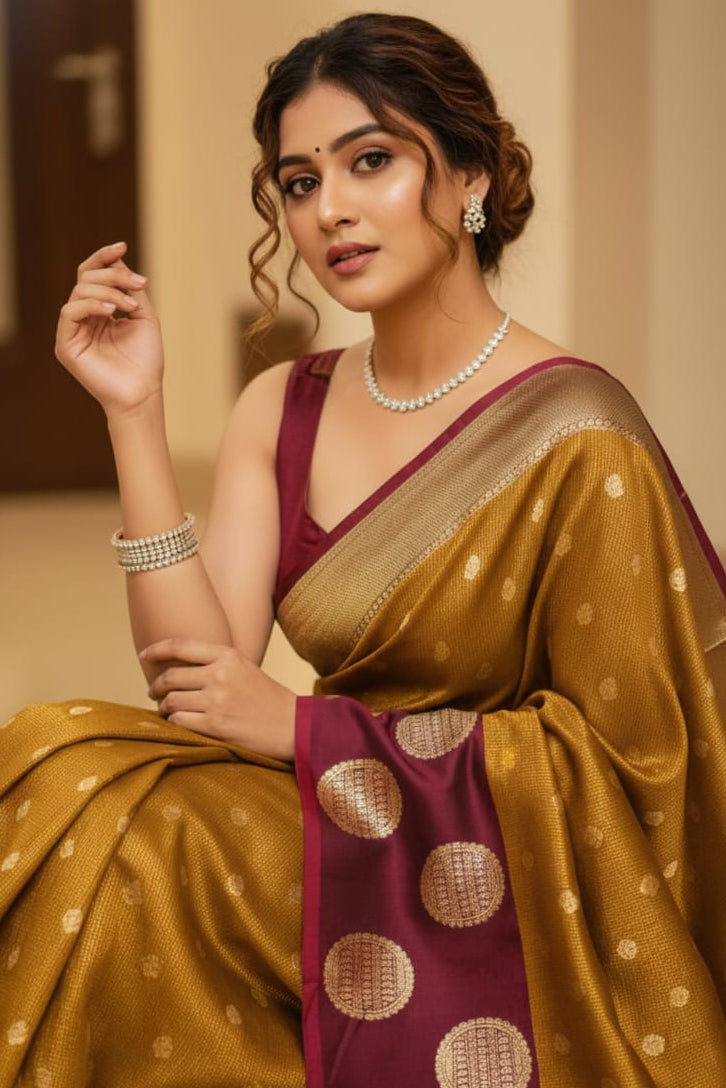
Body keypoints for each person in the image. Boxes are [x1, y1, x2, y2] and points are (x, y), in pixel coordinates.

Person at [1, 11, 725, 1087]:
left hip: (504, 877)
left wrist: (303, 726)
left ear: (470, 173)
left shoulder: (578, 431)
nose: (328, 209)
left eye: (370, 161)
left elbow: (633, 768)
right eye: (298, 182)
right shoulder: (282, 405)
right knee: (69, 767)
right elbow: (194, 681)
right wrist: (133, 416)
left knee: (143, 847)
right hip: (336, 808)